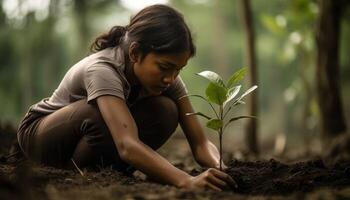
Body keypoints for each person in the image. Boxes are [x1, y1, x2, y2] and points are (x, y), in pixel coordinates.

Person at [17, 4, 236, 191]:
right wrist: (186, 180)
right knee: (97, 113)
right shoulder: (103, 69)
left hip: (92, 135)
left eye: (178, 70)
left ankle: (102, 169)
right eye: (164, 67)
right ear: (134, 53)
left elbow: (199, 143)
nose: (171, 78)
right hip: (40, 136)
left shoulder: (168, 79)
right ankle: (76, 170)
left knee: (167, 110)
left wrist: (222, 170)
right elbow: (127, 144)